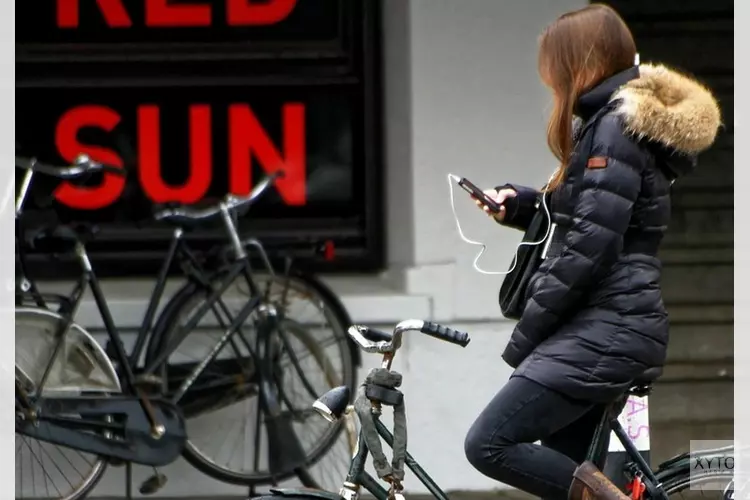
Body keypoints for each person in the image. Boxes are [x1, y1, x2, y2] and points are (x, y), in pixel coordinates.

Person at [462, 4, 721, 500]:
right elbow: (595, 210)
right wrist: (519, 205)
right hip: (608, 324)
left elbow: (591, 245)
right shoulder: (609, 123)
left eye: (552, 67)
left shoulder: (614, 128)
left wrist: (530, 330)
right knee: (569, 476)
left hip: (604, 327)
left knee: (489, 443)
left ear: (580, 62)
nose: (549, 81)